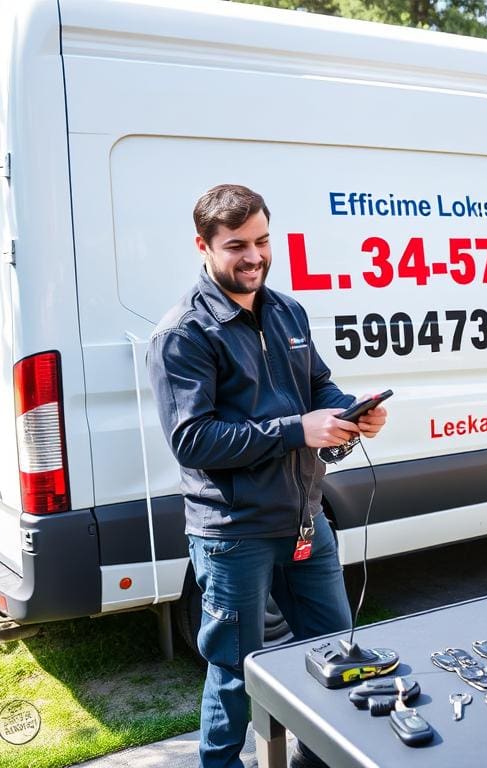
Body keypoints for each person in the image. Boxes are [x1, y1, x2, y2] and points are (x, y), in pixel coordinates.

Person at [147, 184, 387, 768]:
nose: (254, 256)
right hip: (233, 533)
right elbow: (191, 440)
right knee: (236, 669)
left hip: (305, 519)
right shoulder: (183, 333)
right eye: (237, 246)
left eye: (262, 241)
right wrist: (295, 431)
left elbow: (318, 386)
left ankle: (322, 757)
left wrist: (349, 410)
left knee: (336, 651)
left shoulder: (286, 310)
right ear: (202, 246)